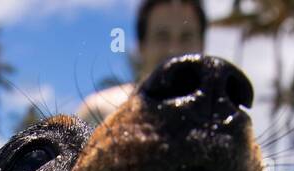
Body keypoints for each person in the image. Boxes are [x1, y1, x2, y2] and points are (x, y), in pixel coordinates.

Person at [77, 0, 207, 125]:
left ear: (202, 46)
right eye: (162, 36)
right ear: (141, 46)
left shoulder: (218, 116)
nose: (173, 50)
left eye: (186, 37)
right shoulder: (99, 111)